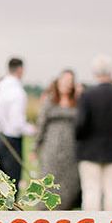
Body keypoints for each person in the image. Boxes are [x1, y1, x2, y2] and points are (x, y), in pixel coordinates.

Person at [74, 55, 112, 211]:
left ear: (95, 72)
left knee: (90, 191)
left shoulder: (87, 95)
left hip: (89, 151)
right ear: (111, 72)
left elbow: (80, 125)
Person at [0, 57, 34, 194]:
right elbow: (17, 124)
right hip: (12, 141)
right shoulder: (18, 92)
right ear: (20, 70)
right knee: (12, 185)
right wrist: (32, 130)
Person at [35, 69, 81, 209]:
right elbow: (41, 124)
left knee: (69, 183)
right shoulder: (50, 101)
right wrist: (35, 147)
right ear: (58, 82)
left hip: (72, 150)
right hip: (52, 148)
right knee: (49, 180)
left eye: (70, 81)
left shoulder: (77, 102)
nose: (67, 84)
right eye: (64, 80)